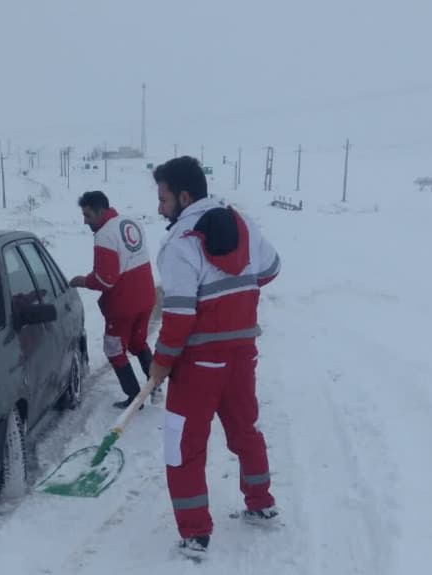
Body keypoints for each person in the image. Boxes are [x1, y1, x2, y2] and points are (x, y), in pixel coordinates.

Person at [140, 156, 282, 555]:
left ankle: (195, 533)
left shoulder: (179, 244)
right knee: (245, 429)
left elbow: (180, 316)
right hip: (241, 353)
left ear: (184, 196)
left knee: (182, 445)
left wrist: (162, 362)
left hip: (199, 363)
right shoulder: (241, 222)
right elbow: (270, 269)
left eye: (163, 198)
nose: (159, 208)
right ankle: (261, 503)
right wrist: (238, 285)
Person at [68, 191, 158, 408]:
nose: (85, 221)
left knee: (114, 349)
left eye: (88, 215)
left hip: (123, 304)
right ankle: (155, 382)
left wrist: (82, 281)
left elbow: (105, 280)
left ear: (100, 211)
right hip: (146, 296)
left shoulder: (104, 235)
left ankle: (134, 397)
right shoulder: (130, 222)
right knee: (137, 341)